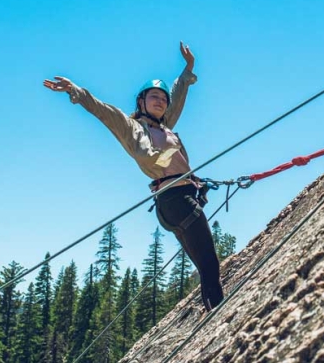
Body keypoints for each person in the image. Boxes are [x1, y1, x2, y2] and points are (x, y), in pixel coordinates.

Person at [43, 42, 224, 311]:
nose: (161, 102)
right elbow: (103, 110)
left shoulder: (164, 126)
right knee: (209, 262)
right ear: (141, 102)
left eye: (163, 100)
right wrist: (75, 91)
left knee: (204, 264)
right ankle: (218, 312)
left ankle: (213, 309)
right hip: (175, 199)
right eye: (154, 98)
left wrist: (188, 70)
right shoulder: (133, 129)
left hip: (178, 199)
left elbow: (177, 93)